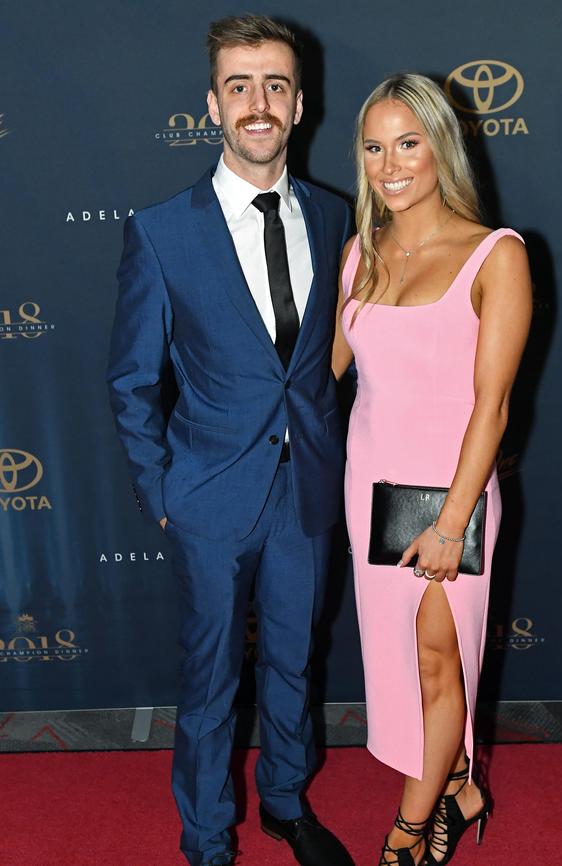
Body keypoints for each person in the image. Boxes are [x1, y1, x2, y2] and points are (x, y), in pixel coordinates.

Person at [107, 15, 354, 866]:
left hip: (308, 494)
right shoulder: (162, 230)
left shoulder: (334, 216)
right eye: (240, 86)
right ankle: (209, 838)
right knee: (211, 684)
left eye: (275, 85)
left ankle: (286, 803)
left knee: (293, 664)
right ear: (213, 103)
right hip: (209, 500)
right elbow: (132, 379)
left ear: (299, 102)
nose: (259, 103)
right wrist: (163, 494)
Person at [332, 73, 532, 865]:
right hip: (368, 484)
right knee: (395, 656)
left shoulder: (496, 255)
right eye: (374, 147)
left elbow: (493, 407)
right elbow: (324, 379)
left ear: (440, 145)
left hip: (448, 491)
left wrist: (453, 521)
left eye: (407, 143)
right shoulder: (359, 252)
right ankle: (460, 785)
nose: (390, 164)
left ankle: (407, 835)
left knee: (438, 655)